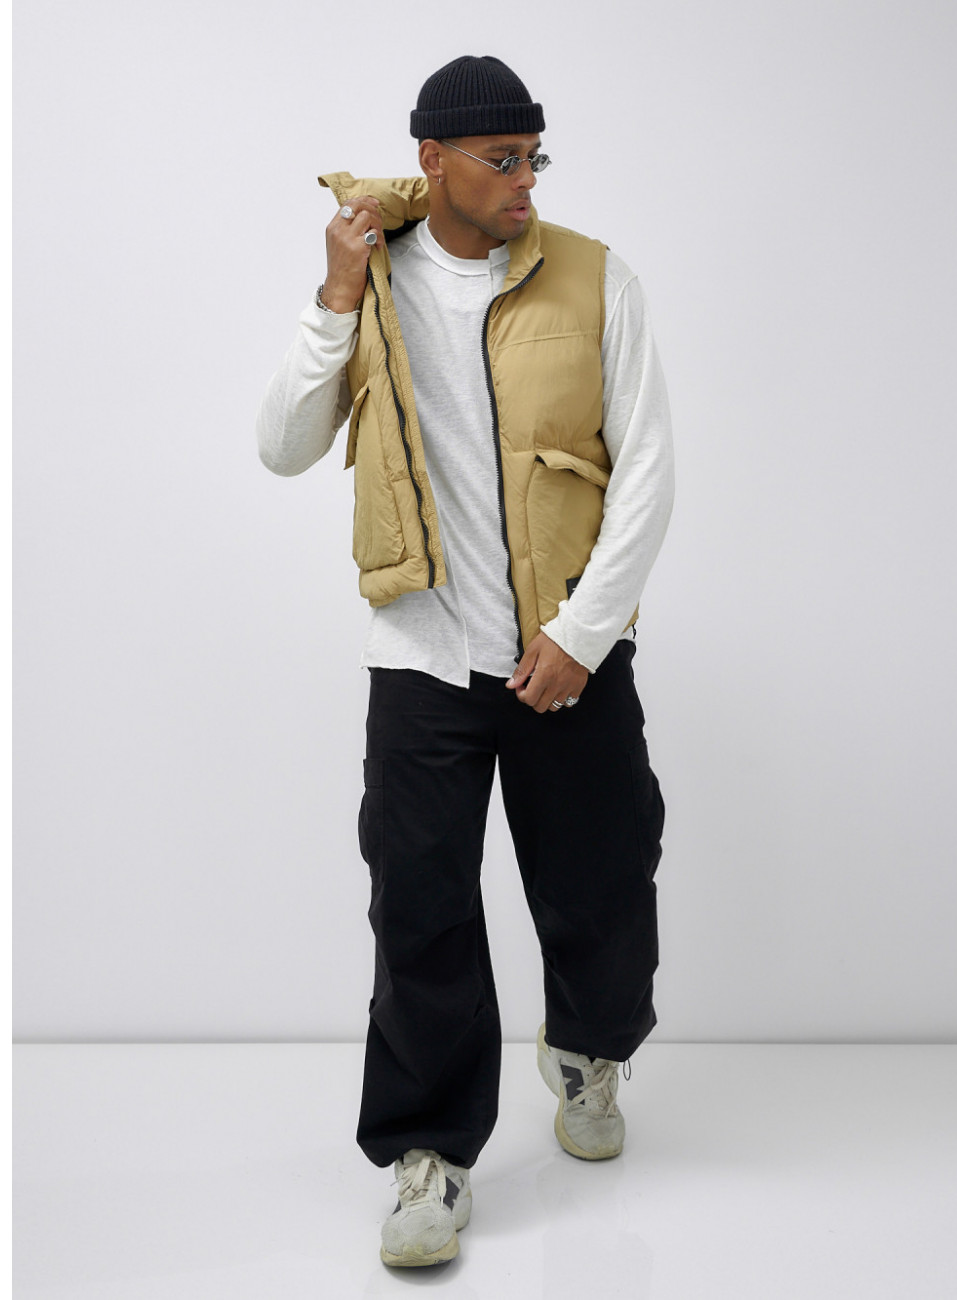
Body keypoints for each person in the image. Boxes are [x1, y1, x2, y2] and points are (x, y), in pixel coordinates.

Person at [256, 54, 675, 1268]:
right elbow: (282, 445)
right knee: (421, 910)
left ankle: (588, 1050)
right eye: (502, 159)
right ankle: (427, 1155)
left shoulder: (597, 278)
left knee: (604, 884)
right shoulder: (374, 280)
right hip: (423, 659)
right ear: (431, 161)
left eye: (535, 157)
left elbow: (648, 468)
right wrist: (331, 298)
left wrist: (581, 635)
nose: (525, 180)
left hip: (567, 653)